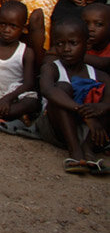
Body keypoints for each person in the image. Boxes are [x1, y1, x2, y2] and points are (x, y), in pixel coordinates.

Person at [35, 15, 110, 174]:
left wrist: (99, 109)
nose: (66, 49)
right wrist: (82, 110)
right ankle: (75, 152)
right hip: (56, 129)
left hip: (89, 132)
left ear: (87, 44)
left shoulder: (100, 75)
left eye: (73, 43)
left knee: (103, 102)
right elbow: (48, 90)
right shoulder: (51, 68)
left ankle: (88, 150)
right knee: (62, 88)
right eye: (60, 44)